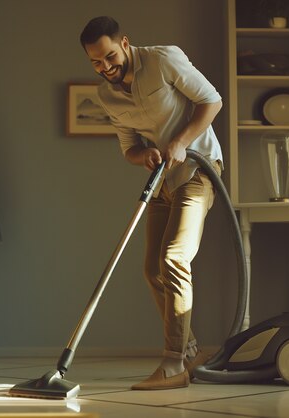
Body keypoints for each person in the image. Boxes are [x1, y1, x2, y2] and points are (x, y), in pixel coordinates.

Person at [80, 16, 223, 390]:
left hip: (198, 169)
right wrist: (143, 155)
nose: (106, 67)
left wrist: (181, 141)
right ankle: (191, 352)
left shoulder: (164, 60)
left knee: (174, 258)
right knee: (151, 269)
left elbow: (211, 100)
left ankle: (173, 362)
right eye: (96, 62)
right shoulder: (106, 94)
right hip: (161, 180)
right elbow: (128, 148)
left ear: (124, 43)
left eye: (110, 56)